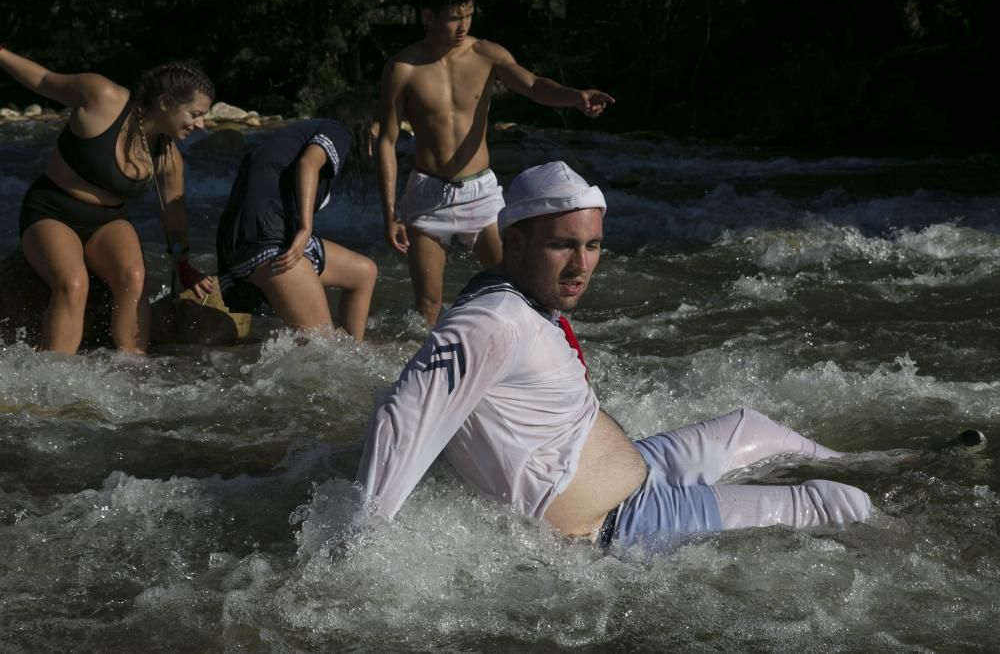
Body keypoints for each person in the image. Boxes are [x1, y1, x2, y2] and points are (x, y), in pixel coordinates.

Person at [358, 161, 872, 552]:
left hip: (635, 471)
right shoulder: (491, 321)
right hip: (618, 523)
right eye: (563, 246)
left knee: (751, 426)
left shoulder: (521, 295)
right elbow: (401, 418)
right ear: (513, 242)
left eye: (594, 245)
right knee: (840, 503)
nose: (582, 265)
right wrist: (356, 549)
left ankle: (890, 464)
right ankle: (904, 494)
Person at [377, 0, 615, 325]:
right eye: (454, 17)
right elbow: (386, 141)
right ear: (429, 17)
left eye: (469, 15)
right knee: (428, 305)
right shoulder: (402, 68)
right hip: (428, 194)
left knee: (520, 284)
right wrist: (390, 213)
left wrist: (575, 97)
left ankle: (544, 354)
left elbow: (533, 85)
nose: (463, 26)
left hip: (480, 193)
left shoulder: (486, 54)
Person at [0, 46, 214, 354]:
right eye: (195, 115)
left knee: (134, 278)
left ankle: (133, 366)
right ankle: (54, 378)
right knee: (73, 284)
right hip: (52, 209)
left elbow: (174, 213)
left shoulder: (168, 158)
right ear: (166, 103)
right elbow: (44, 79)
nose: (201, 125)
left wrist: (183, 263)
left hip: (108, 220)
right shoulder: (103, 98)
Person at [215, 94, 378, 340]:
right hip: (266, 243)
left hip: (247, 240)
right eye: (374, 138)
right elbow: (308, 164)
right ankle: (342, 364)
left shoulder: (300, 134)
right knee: (323, 348)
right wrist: (305, 229)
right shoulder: (338, 131)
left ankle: (354, 352)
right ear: (361, 126)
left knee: (363, 272)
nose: (373, 148)